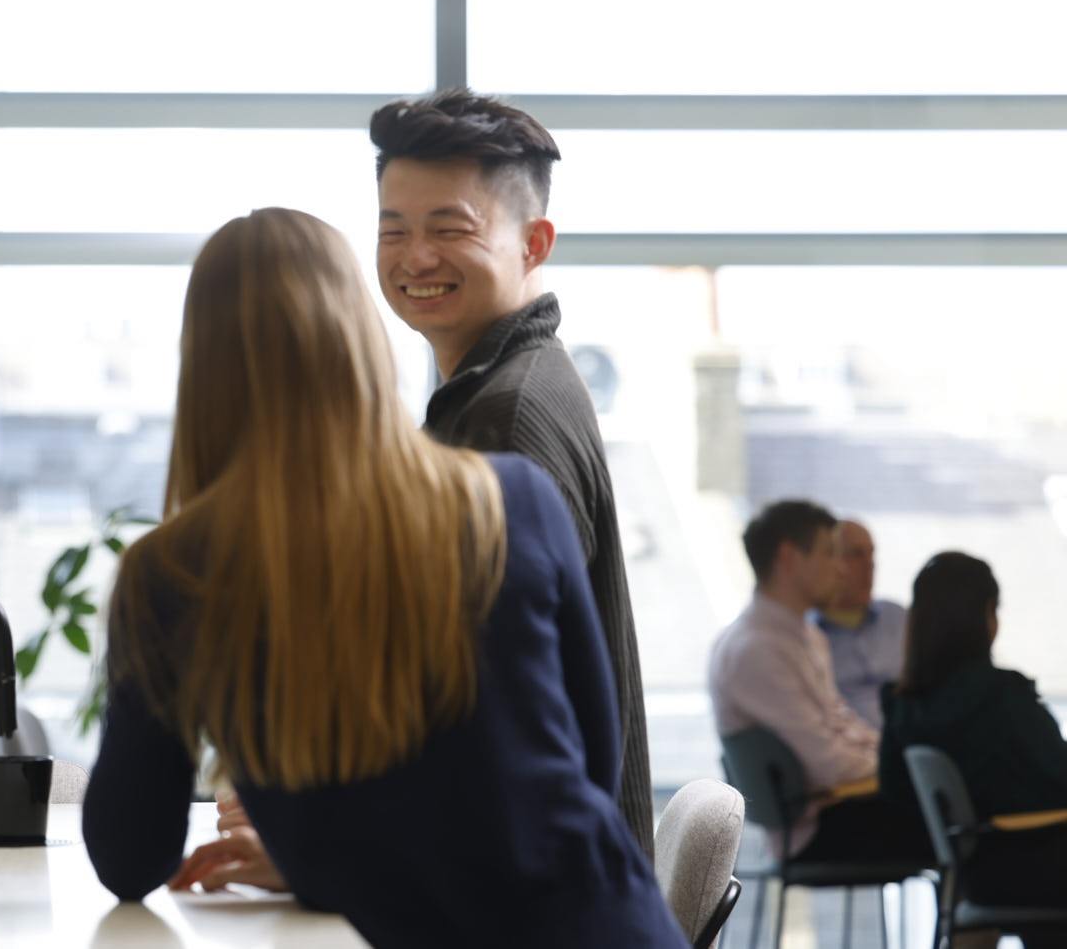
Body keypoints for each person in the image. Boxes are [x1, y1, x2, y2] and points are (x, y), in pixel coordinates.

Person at [81, 209, 686, 946]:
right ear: (360, 337)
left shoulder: (173, 575)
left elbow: (131, 855)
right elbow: (591, 763)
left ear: (200, 369)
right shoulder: (510, 501)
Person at [367, 87, 652, 855]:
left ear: (534, 242)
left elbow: (508, 741)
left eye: (449, 228)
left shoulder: (508, 420)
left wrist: (324, 845)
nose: (415, 257)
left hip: (532, 887)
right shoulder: (502, 389)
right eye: (393, 230)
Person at [708, 500, 927, 862]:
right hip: (817, 829)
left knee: (959, 811)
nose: (841, 569)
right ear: (789, 557)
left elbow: (842, 725)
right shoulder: (755, 650)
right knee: (961, 821)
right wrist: (901, 766)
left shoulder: (804, 637)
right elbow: (826, 762)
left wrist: (893, 758)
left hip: (843, 808)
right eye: (829, 553)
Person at [878, 552, 1067, 937]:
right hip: (1032, 866)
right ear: (985, 617)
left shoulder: (904, 706)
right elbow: (1059, 775)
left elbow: (894, 790)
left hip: (973, 874)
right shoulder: (1002, 698)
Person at [813, 519, 907, 728]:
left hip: (911, 740)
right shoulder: (805, 636)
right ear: (829, 561)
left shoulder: (899, 618)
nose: (869, 564)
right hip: (847, 743)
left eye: (871, 554)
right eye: (856, 554)